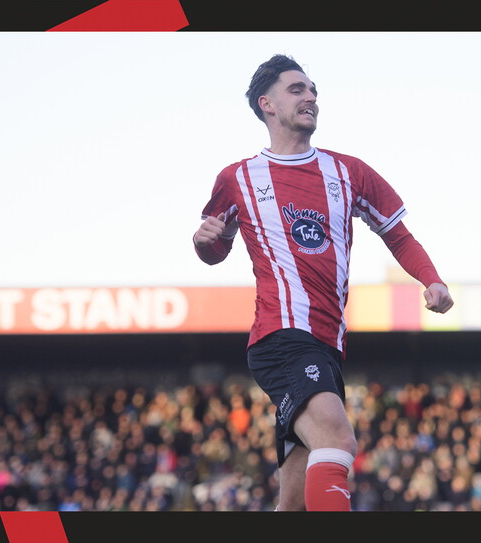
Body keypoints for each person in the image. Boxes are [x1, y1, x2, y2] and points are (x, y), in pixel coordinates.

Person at [192, 54, 454, 511]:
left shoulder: (348, 172)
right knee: (336, 434)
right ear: (266, 104)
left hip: (328, 345)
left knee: (294, 500)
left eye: (313, 90)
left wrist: (431, 279)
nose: (310, 97)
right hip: (281, 336)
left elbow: (396, 232)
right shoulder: (237, 179)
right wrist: (204, 241)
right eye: (297, 89)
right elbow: (215, 251)